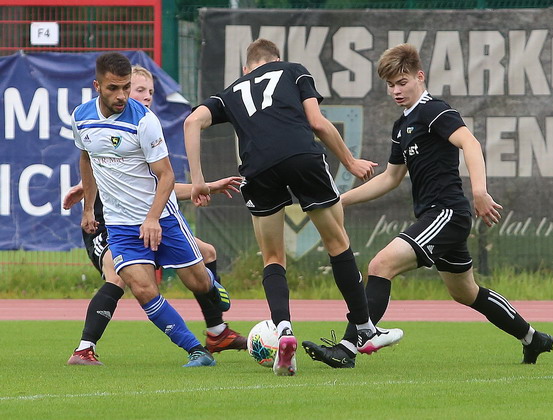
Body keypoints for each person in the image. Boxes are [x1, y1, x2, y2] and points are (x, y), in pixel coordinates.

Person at [302, 43, 553, 369]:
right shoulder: (402, 126)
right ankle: (533, 338)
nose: (396, 91)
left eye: (402, 82)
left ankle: (347, 349)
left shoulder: (433, 110)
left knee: (380, 265)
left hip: (446, 214)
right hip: (438, 217)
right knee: (466, 292)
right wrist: (340, 200)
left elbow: (470, 143)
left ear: (419, 77)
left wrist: (479, 191)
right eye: (390, 85)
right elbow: (391, 178)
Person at [184, 38, 403, 376]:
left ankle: (283, 329)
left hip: (258, 169)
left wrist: (198, 180)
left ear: (246, 68)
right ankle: (364, 327)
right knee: (337, 242)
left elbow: (191, 123)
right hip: (301, 156)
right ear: (277, 59)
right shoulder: (293, 71)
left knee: (273, 257)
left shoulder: (230, 92)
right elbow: (317, 122)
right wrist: (350, 161)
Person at [65, 65, 246, 366]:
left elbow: (166, 177)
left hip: (162, 220)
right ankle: (196, 350)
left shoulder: (145, 122)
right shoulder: (81, 117)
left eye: (128, 88)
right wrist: (87, 206)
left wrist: (153, 218)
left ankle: (213, 301)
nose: (123, 95)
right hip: (120, 225)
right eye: (117, 88)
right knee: (142, 288)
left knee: (200, 281)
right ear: (97, 86)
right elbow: (88, 158)